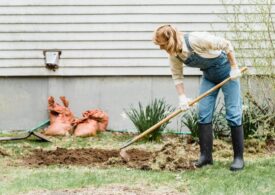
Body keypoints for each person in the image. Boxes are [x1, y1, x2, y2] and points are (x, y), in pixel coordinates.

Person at [153, 24, 244, 171]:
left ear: (169, 41)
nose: (161, 48)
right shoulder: (174, 54)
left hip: (228, 73)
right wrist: (182, 97)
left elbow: (226, 44)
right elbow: (177, 76)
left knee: (233, 113)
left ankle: (238, 158)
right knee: (203, 114)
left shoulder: (196, 39)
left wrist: (234, 67)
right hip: (209, 77)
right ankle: (206, 157)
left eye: (162, 45)